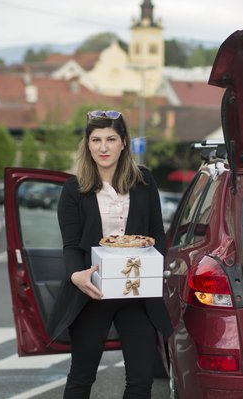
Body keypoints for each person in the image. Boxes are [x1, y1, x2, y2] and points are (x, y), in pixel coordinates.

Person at [47, 110, 172, 399]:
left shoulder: (144, 181)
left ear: (124, 143)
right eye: (96, 140)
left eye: (111, 139)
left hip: (135, 293)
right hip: (93, 293)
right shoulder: (73, 189)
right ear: (87, 144)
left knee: (141, 381)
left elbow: (158, 233)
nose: (103, 147)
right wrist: (76, 275)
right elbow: (71, 245)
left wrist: (156, 267)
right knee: (81, 377)